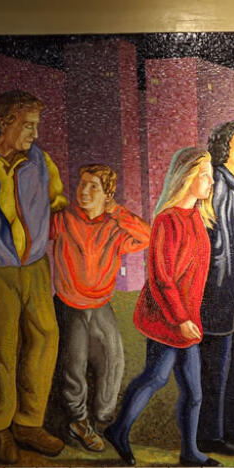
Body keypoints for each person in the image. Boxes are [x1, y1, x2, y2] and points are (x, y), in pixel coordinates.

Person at [103, 148, 220, 468]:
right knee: (155, 378)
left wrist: (190, 317)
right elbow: (161, 278)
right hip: (165, 319)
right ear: (186, 178)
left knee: (194, 391)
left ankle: (190, 453)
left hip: (186, 320)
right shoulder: (167, 220)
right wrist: (180, 318)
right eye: (205, 174)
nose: (211, 181)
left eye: (210, 174)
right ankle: (118, 431)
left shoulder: (199, 215)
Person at [0, 90, 68, 464]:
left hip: (35, 268)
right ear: (4, 122)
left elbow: (58, 205)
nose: (33, 133)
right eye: (27, 125)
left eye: (37, 126)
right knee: (3, 349)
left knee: (45, 338)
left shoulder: (42, 162)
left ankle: (28, 422)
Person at [49, 163, 151, 452]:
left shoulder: (115, 225)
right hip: (69, 305)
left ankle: (104, 418)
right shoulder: (66, 219)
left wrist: (116, 210)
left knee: (114, 359)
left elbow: (147, 236)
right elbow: (33, 232)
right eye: (82, 184)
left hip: (101, 303)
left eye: (93, 186)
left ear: (107, 193)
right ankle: (79, 422)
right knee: (74, 365)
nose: (84, 190)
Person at [198, 121, 234, 456]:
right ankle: (210, 435)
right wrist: (219, 285)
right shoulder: (218, 179)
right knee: (216, 367)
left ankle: (232, 429)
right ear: (223, 147)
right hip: (222, 286)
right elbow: (216, 238)